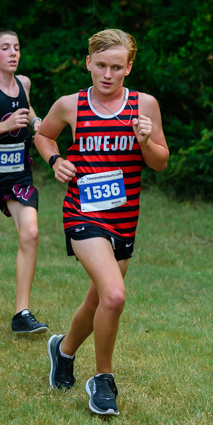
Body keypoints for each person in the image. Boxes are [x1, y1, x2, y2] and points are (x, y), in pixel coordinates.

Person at [35, 29, 169, 415]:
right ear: (88, 63)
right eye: (101, 66)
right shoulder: (70, 105)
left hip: (124, 220)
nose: (107, 75)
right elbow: (44, 137)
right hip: (82, 213)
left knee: (98, 300)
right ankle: (103, 380)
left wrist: (145, 141)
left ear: (128, 67)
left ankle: (62, 350)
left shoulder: (144, 105)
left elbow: (160, 162)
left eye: (116, 67)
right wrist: (55, 160)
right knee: (113, 295)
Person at [0, 29, 48, 334]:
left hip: (18, 172)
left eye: (16, 47)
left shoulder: (23, 83)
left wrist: (35, 121)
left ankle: (21, 313)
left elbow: (27, 108)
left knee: (30, 233)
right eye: (5, 48)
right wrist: (3, 126)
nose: (13, 53)